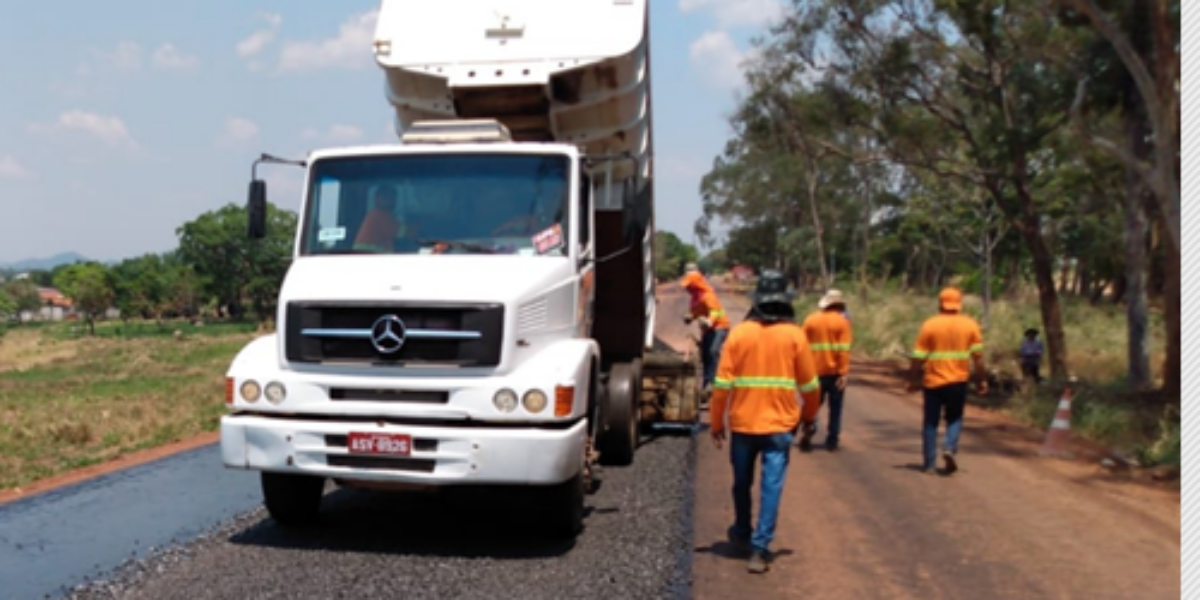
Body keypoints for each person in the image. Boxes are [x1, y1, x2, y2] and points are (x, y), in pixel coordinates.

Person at [710, 270, 822, 574]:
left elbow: (721, 387)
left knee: (742, 483)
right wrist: (809, 418)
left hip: (743, 426)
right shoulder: (795, 335)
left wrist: (715, 422)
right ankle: (759, 550)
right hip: (780, 428)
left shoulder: (739, 334)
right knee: (771, 487)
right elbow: (811, 388)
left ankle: (742, 532)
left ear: (757, 300)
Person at [906, 287, 987, 475]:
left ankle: (930, 464)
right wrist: (981, 379)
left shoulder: (930, 325)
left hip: (933, 381)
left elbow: (918, 356)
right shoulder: (970, 325)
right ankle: (949, 447)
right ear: (959, 303)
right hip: (958, 381)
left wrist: (912, 378)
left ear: (940, 303)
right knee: (955, 418)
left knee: (930, 422)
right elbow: (978, 358)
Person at [801, 289, 853, 452]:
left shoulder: (810, 320)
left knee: (812, 406)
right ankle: (832, 440)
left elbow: (801, 346)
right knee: (835, 407)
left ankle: (808, 431)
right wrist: (843, 373)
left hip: (813, 372)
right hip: (835, 373)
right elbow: (843, 351)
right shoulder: (843, 323)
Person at [680, 263, 730, 400]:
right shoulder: (695, 297)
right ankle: (706, 386)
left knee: (713, 352)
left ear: (696, 284)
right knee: (706, 356)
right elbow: (696, 312)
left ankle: (713, 384)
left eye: (690, 286)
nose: (688, 289)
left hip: (720, 327)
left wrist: (709, 321)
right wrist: (690, 317)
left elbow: (714, 311)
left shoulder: (708, 295)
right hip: (708, 329)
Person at [353, 186, 404, 252]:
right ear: (376, 198)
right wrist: (420, 227)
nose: (389, 200)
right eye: (385, 197)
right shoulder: (378, 215)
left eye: (392, 197)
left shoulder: (384, 216)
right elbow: (405, 232)